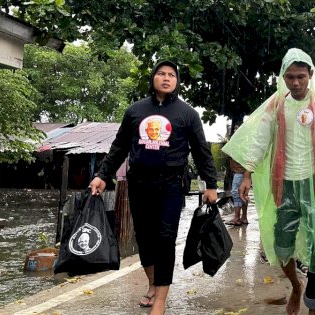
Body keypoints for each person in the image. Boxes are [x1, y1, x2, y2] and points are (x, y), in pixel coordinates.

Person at [222, 48, 315, 315]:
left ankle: (313, 307)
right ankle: (295, 284)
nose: (295, 82)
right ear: (284, 77)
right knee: (281, 247)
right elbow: (259, 140)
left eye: (301, 76)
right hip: (286, 186)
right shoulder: (277, 104)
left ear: (310, 75)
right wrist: (246, 175)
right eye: (290, 76)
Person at [89, 60, 218, 314]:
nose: (166, 78)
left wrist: (210, 184)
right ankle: (152, 283)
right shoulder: (136, 111)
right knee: (145, 239)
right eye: (161, 74)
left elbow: (202, 152)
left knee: (166, 239)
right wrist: (102, 175)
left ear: (177, 81)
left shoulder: (187, 114)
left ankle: (160, 298)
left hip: (171, 186)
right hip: (139, 184)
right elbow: (120, 146)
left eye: (172, 75)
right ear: (153, 78)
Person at [226, 150, 248, 226]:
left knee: (236, 194)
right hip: (244, 173)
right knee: (244, 195)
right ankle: (244, 217)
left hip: (239, 173)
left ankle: (237, 218)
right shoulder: (245, 145)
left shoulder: (237, 146)